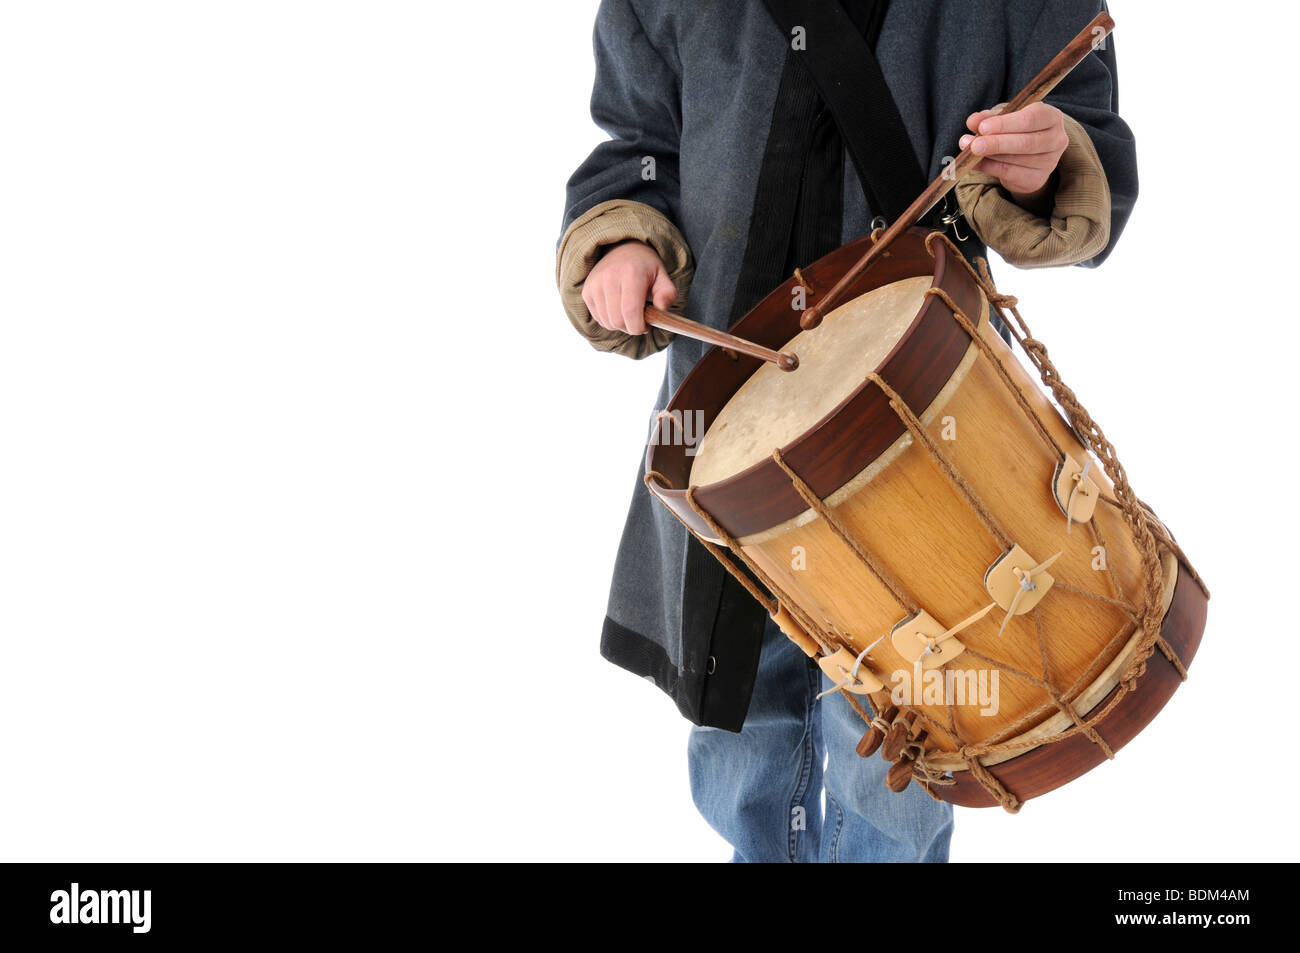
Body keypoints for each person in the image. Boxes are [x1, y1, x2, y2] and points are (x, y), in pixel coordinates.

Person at [555, 0, 1136, 862]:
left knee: (899, 749)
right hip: (726, 422)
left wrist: (1046, 159)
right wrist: (619, 242)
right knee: (740, 723)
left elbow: (1084, 137)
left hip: (932, 416)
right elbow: (639, 147)